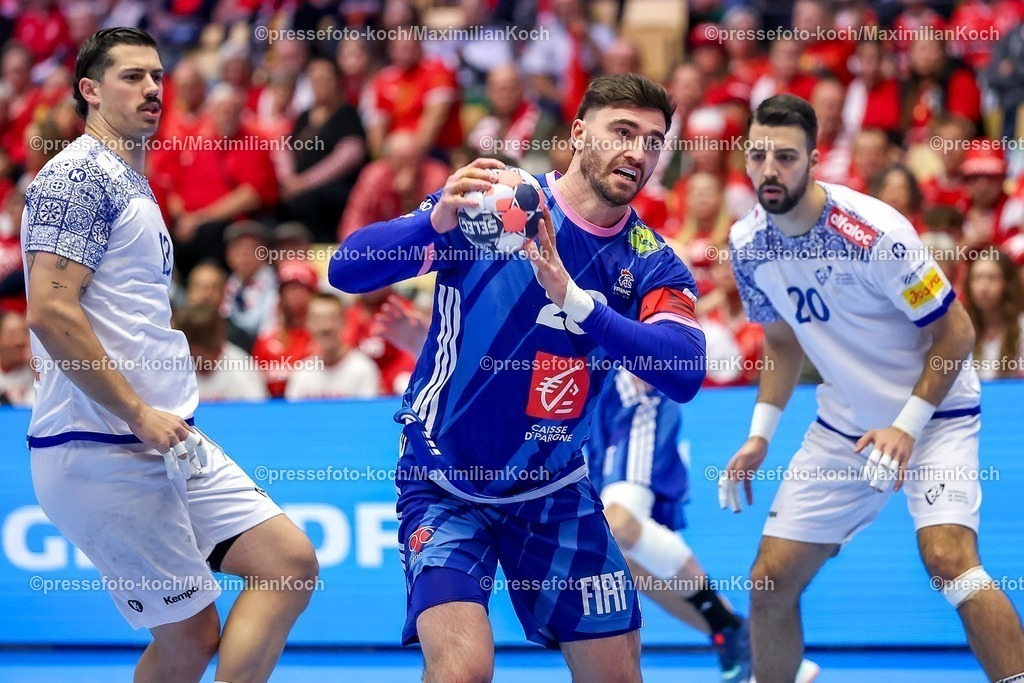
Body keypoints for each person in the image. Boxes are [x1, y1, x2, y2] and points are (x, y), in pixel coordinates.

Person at [331, 73, 707, 682]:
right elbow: (348, 269)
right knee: (462, 672)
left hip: (554, 491)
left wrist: (581, 303)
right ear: (580, 133)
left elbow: (685, 370)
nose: (638, 152)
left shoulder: (649, 259)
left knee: (618, 676)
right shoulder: (495, 207)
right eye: (623, 132)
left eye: (654, 141)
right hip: (445, 477)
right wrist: (433, 224)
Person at [21, 28, 317, 683]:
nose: (152, 88)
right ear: (90, 91)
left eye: (156, 75)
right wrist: (134, 412)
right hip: (103, 441)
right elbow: (50, 309)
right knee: (189, 638)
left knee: (287, 563)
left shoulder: (132, 180)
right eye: (131, 76)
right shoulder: (78, 176)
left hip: (165, 436)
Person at [719, 94, 1024, 683]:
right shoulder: (747, 244)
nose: (770, 169)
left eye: (785, 156)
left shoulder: (874, 233)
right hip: (848, 424)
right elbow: (781, 343)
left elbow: (956, 332)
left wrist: (907, 427)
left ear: (813, 159)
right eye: (758, 155)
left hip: (935, 416)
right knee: (768, 581)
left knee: (949, 561)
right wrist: (760, 436)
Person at [373, 300, 824, 683]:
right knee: (623, 553)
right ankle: (732, 636)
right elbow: (491, 371)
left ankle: (733, 630)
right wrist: (424, 344)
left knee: (622, 526)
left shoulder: (630, 372)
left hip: (618, 395)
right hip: (560, 425)